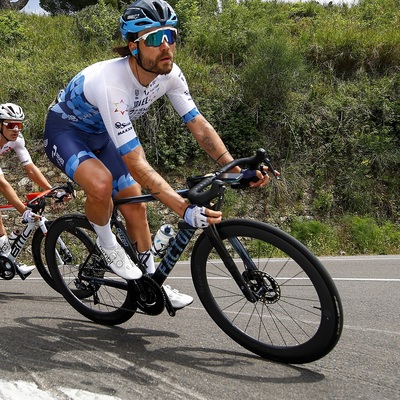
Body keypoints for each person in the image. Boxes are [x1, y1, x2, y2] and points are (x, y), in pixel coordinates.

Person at [43, 0, 269, 309]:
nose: (165, 46)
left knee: (135, 205)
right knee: (100, 184)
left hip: (103, 135)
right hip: (66, 132)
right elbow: (136, 162)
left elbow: (199, 126)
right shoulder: (113, 83)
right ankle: (107, 243)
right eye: (153, 38)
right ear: (133, 46)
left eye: (170, 36)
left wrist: (233, 170)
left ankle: (151, 282)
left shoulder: (170, 74)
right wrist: (183, 208)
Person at [0, 103, 53, 276]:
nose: (15, 129)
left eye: (19, 125)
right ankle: (7, 254)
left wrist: (51, 189)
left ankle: (7, 257)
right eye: (10, 125)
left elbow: (30, 169)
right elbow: (2, 184)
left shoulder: (17, 139)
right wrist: (24, 211)